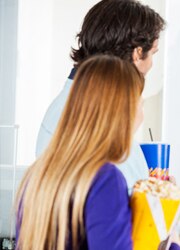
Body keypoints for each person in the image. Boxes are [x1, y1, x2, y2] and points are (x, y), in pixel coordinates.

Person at [16, 55, 180, 250]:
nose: (141, 114)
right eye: (140, 103)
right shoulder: (105, 179)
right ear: (123, 110)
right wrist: (171, 236)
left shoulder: (37, 175)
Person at [35, 0, 165, 195]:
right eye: (153, 53)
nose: (152, 65)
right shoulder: (87, 116)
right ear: (138, 52)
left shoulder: (70, 106)